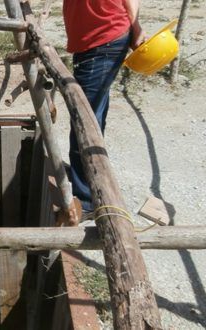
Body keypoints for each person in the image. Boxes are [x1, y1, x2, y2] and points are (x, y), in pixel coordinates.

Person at [63, 0, 146, 213]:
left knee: (83, 121)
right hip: (97, 39)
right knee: (92, 116)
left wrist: (136, 27)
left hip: (103, 39)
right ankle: (91, 178)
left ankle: (87, 199)